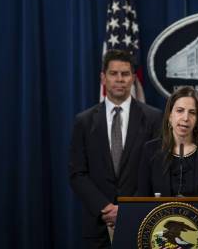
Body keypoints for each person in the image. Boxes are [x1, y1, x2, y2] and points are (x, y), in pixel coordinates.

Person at [69, 49, 162, 248]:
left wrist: (128, 209)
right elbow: (77, 173)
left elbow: (156, 172)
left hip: (140, 221)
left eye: (125, 74)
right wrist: (105, 207)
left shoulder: (153, 118)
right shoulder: (83, 121)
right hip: (97, 226)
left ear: (133, 79)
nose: (119, 79)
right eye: (113, 73)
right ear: (103, 78)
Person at [137, 86, 198, 197]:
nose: (186, 118)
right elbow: (142, 198)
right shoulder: (150, 150)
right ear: (170, 115)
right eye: (180, 111)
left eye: (192, 112)